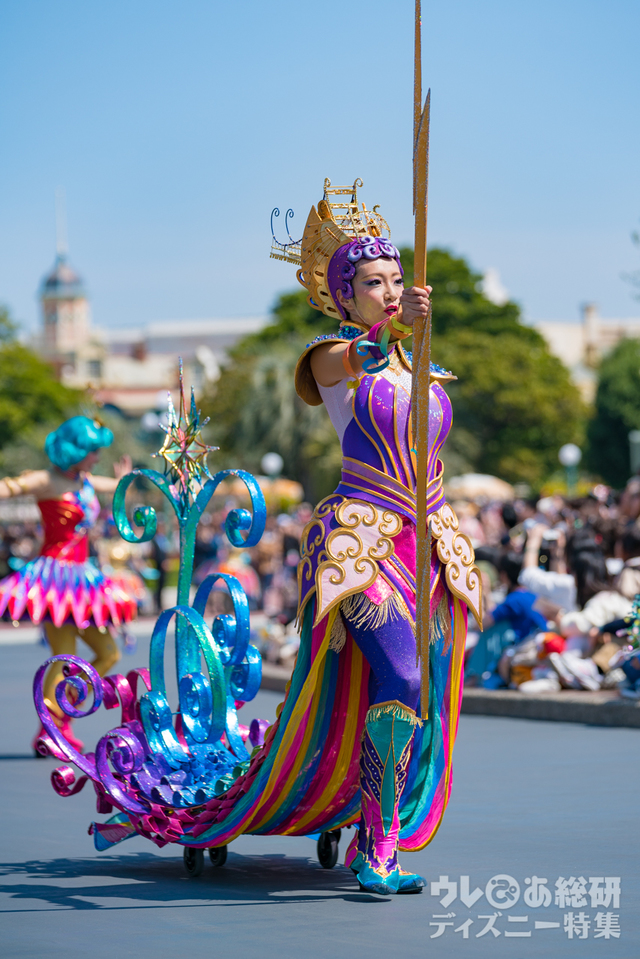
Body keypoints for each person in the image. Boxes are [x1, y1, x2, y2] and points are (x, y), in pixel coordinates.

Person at [285, 181, 481, 893]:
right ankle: (378, 850)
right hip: (360, 545)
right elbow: (354, 361)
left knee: (418, 689)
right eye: (374, 282)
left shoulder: (422, 369)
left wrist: (415, 342)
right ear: (346, 295)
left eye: (398, 280)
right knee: (398, 673)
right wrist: (389, 336)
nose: (391, 291)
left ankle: (382, 836)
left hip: (423, 545)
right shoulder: (332, 359)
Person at [0, 415, 136, 753]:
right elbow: (12, 486)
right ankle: (50, 729)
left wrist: (123, 480)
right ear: (75, 450)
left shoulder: (86, 481)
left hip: (83, 580)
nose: (96, 457)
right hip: (54, 580)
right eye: (92, 450)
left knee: (109, 652)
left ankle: (60, 716)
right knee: (64, 657)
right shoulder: (47, 480)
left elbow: (114, 485)